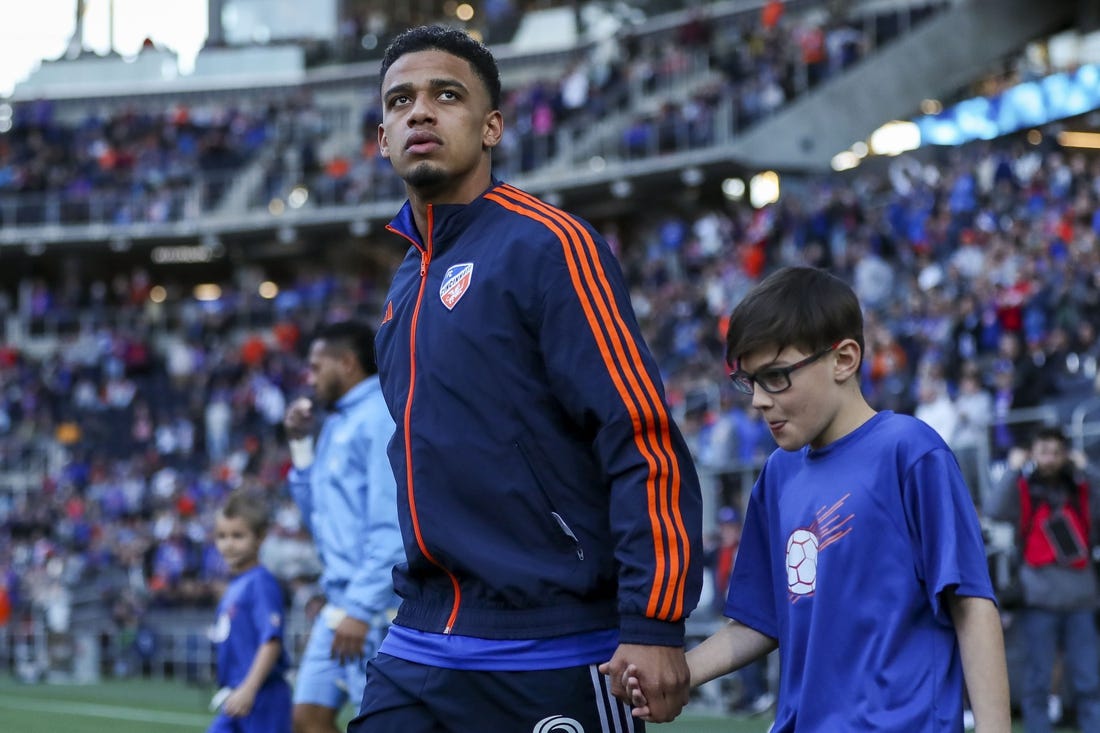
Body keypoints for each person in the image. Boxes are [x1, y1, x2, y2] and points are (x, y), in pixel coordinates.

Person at [350, 24, 703, 732]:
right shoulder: (402, 285)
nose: (419, 111)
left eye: (446, 95)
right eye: (400, 101)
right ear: (383, 138)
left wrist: (656, 622)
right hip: (419, 635)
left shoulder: (551, 246)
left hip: (552, 642)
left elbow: (641, 436)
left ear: (491, 127)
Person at [622, 266, 1010, 731]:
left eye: (776, 376)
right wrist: (678, 674)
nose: (759, 401)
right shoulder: (778, 475)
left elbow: (970, 604)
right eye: (750, 382)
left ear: (844, 359)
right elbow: (759, 622)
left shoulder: (910, 451)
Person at [283, 320, 404, 733]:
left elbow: (392, 527)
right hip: (340, 601)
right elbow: (317, 512)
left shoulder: (379, 418)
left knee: (377, 722)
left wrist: (360, 607)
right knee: (307, 717)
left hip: (375, 606)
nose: (310, 378)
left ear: (348, 363)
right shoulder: (335, 422)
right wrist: (299, 445)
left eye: (317, 367)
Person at [985, 426, 1100, 733]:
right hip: (1038, 599)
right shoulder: (1023, 487)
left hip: (1082, 598)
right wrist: (1012, 470)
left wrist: (1086, 467)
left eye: (1056, 452)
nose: (1049, 459)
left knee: (1090, 683)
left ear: (1066, 455)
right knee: (1037, 682)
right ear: (1033, 454)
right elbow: (994, 509)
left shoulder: (1081, 487)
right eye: (1043, 451)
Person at [207, 490, 292, 733]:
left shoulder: (261, 583)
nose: (228, 544)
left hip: (262, 695)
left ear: (260, 537)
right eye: (222, 536)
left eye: (238, 536)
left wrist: (249, 689)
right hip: (236, 695)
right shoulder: (235, 585)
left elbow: (271, 641)